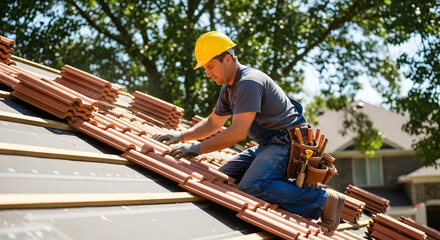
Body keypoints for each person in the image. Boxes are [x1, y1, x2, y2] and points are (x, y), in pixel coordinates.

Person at [154, 31, 345, 232]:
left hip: (287, 144)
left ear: (227, 59)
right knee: (224, 177)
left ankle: (324, 201)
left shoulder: (248, 83)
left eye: (210, 67)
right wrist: (182, 136)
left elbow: (237, 133)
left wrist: (195, 149)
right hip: (270, 145)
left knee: (252, 186)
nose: (207, 73)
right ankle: (281, 184)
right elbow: (213, 124)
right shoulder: (228, 88)